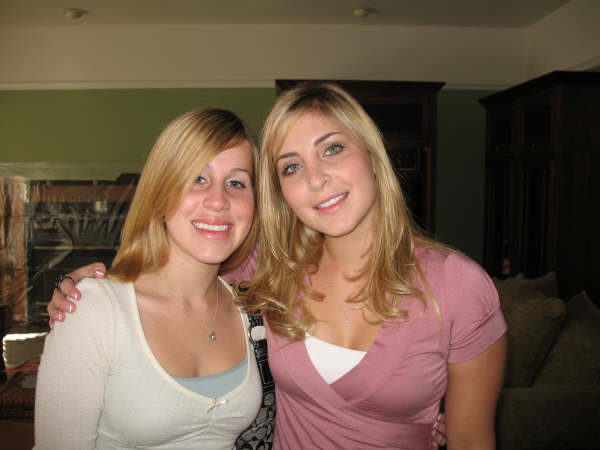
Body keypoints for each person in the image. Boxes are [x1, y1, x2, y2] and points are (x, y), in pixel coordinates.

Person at [48, 82, 500, 449]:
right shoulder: (273, 269)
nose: (316, 178)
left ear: (372, 155)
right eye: (291, 167)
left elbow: (471, 439)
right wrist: (95, 286)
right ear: (281, 192)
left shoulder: (456, 285)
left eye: (332, 149)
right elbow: (182, 259)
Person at [35, 108, 270, 450]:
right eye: (197, 179)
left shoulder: (251, 309)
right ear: (161, 194)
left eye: (236, 183)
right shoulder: (95, 310)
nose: (218, 200)